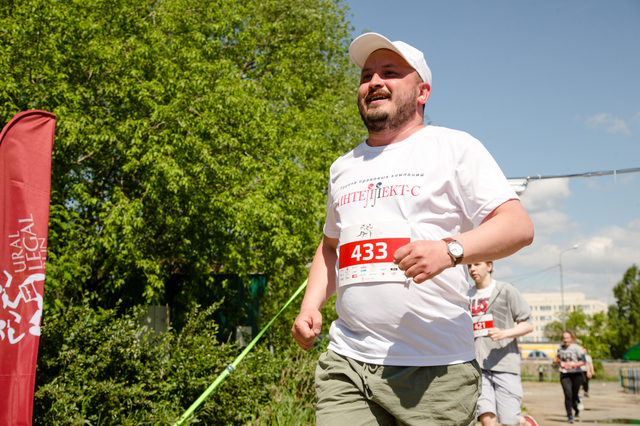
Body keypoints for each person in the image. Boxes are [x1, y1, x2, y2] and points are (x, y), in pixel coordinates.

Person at [291, 32, 534, 426]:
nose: (373, 82)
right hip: (348, 362)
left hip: (435, 371)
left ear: (422, 91)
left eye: (389, 72)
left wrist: (449, 250)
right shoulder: (343, 167)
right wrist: (309, 306)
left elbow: (517, 226)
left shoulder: (455, 148)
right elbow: (331, 247)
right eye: (366, 75)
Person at [468, 261, 539, 426]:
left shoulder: (506, 290)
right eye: (469, 266)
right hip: (478, 367)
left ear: (490, 266)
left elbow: (528, 325)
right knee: (486, 417)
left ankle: (523, 421)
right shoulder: (467, 295)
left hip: (505, 364)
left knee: (508, 421)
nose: (472, 269)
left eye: (477, 264)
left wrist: (504, 333)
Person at [554, 330, 585, 423]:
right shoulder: (560, 348)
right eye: (564, 338)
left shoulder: (577, 348)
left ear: (571, 338)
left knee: (574, 395)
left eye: (567, 338)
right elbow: (557, 358)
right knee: (568, 394)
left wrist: (573, 365)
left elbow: (584, 361)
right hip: (564, 374)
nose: (566, 340)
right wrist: (556, 361)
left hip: (576, 374)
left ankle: (576, 408)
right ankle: (569, 415)